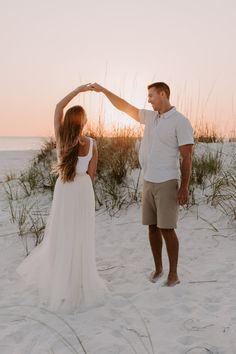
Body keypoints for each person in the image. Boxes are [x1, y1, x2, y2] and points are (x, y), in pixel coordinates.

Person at [89, 82, 194, 286]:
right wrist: (103, 90)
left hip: (167, 180)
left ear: (163, 94)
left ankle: (173, 274)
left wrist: (184, 186)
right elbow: (123, 106)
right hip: (148, 180)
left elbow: (187, 157)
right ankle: (158, 268)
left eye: (151, 95)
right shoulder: (151, 117)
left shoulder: (180, 121)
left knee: (167, 229)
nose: (148, 99)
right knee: (152, 227)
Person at [17, 84, 107, 312]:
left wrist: (79, 89)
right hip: (83, 189)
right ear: (84, 122)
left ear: (67, 120)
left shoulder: (61, 137)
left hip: (65, 189)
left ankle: (62, 277)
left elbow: (58, 106)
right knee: (81, 234)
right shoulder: (92, 144)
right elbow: (92, 175)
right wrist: (84, 186)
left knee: (62, 232)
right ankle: (79, 278)